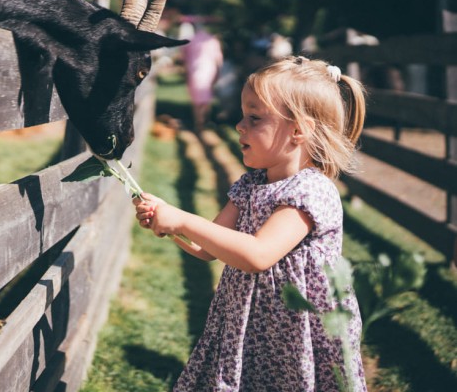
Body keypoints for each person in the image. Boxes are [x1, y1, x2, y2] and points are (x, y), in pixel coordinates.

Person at [134, 56, 368, 391]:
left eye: (255, 118)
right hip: (250, 323)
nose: (239, 126)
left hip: (295, 331)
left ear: (299, 130)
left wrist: (183, 217)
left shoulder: (309, 191)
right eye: (244, 115)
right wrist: (170, 226)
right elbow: (207, 248)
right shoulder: (252, 183)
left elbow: (258, 255)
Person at [181, 26, 224, 133]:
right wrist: (218, 74)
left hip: (194, 71)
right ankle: (205, 121)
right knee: (206, 98)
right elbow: (219, 60)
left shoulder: (190, 41)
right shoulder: (213, 41)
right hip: (209, 71)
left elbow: (183, 58)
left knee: (196, 101)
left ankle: (198, 123)